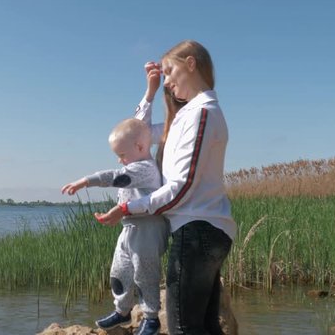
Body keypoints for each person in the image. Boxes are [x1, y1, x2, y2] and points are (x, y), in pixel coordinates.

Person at [96, 40, 237, 335]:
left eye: (170, 72)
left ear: (191, 63)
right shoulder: (187, 115)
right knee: (205, 326)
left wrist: (126, 208)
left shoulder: (202, 113)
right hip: (202, 229)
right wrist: (150, 91)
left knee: (183, 327)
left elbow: (181, 187)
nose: (168, 83)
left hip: (198, 230)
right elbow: (135, 136)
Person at [61, 118, 169, 335]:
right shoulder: (134, 166)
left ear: (139, 147)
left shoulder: (145, 169)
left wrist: (86, 181)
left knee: (144, 273)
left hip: (148, 229)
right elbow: (127, 197)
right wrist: (113, 215)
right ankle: (122, 310)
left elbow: (117, 178)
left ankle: (150, 318)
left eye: (122, 155)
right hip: (129, 228)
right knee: (119, 271)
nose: (120, 161)